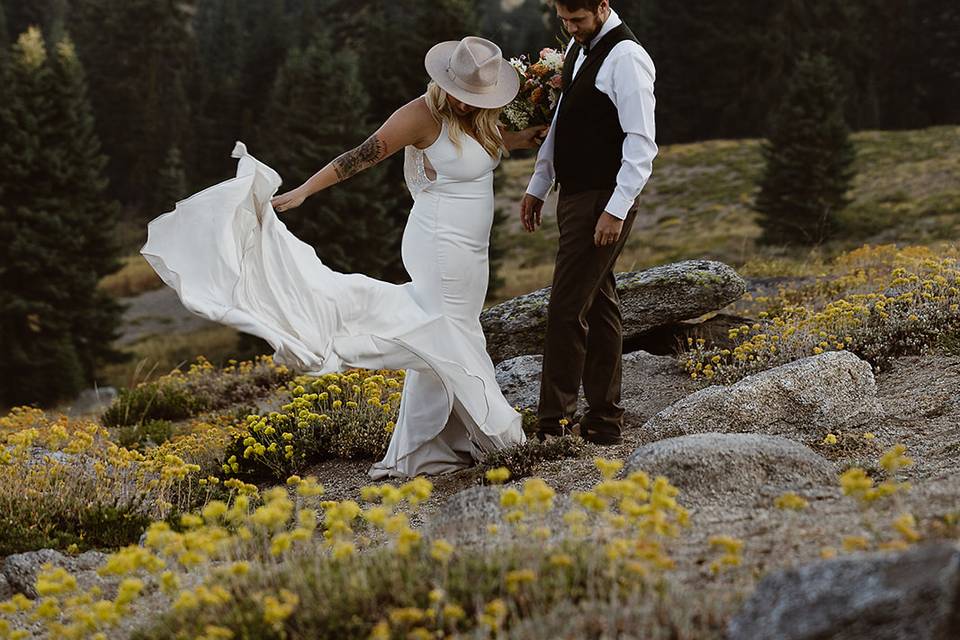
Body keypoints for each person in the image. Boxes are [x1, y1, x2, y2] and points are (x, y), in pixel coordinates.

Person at [141, 36, 545, 479]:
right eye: (460, 94)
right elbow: (360, 156)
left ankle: (428, 446)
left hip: (473, 251)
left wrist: (523, 138)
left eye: (474, 97)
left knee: (447, 334)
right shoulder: (420, 115)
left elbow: (483, 144)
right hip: (440, 245)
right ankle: (502, 439)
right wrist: (304, 191)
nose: (465, 104)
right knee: (450, 333)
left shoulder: (480, 117)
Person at [519, 0, 657, 445]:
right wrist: (539, 183)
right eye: (563, 20)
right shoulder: (581, 48)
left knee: (565, 308)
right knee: (597, 304)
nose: (570, 28)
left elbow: (641, 143)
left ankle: (553, 425)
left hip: (603, 199)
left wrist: (616, 209)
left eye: (577, 20)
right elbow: (562, 119)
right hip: (576, 194)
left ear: (602, 6)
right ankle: (604, 421)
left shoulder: (627, 57)